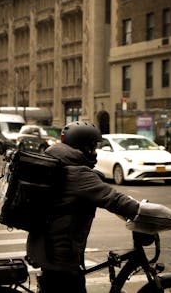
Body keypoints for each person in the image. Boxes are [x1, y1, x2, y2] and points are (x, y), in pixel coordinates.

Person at [26, 121, 140, 293]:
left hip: (45, 248)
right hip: (61, 256)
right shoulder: (78, 173)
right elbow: (115, 199)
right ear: (83, 147)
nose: (95, 152)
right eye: (93, 147)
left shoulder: (59, 165)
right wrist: (145, 212)